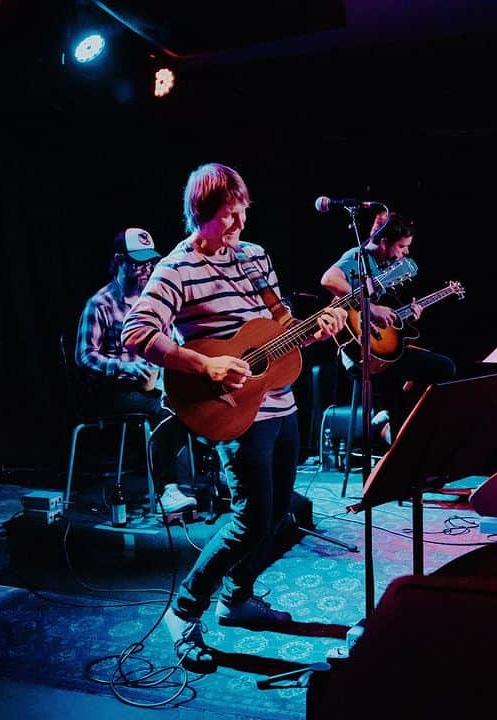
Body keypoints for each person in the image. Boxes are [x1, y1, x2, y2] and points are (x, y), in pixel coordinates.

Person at [120, 163, 347, 671]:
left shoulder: (254, 257)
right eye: (227, 217)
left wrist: (315, 328)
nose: (239, 225)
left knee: (277, 514)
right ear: (200, 215)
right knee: (248, 520)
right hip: (234, 414)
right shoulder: (176, 268)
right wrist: (205, 362)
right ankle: (185, 611)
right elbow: (136, 332)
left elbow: (280, 322)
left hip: (282, 405)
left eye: (243, 213)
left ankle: (237, 599)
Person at [75, 227, 196, 515]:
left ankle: (216, 479)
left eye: (149, 261)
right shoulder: (100, 304)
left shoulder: (152, 301)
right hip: (114, 391)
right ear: (119, 261)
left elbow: (173, 340)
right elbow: (84, 356)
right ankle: (168, 489)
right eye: (137, 262)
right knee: (168, 410)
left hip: (156, 383)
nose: (146, 268)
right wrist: (126, 367)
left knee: (199, 400)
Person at [319, 210, 457, 436]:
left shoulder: (385, 268)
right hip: (358, 353)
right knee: (432, 371)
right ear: (384, 242)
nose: (406, 252)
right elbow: (328, 279)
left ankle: (393, 421)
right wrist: (371, 309)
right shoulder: (358, 257)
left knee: (444, 366)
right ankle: (392, 431)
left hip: (382, 350)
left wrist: (407, 315)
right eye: (402, 247)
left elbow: (387, 324)